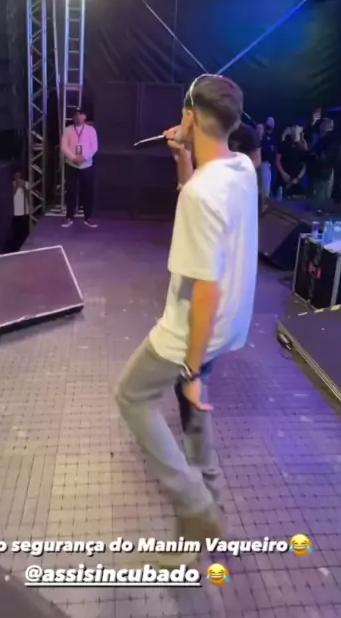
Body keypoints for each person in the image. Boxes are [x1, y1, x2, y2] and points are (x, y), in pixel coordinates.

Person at [116, 74, 258, 559]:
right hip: (229, 328)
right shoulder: (241, 167)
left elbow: (205, 290)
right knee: (191, 408)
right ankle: (208, 501)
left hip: (189, 332)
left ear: (190, 117)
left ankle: (196, 508)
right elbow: (199, 196)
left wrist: (192, 370)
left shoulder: (202, 194)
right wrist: (183, 155)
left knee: (131, 396)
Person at [61, 107, 98, 228]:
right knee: (70, 191)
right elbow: (64, 146)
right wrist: (73, 158)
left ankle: (88, 217)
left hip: (86, 165)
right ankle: (69, 217)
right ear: (73, 117)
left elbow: (94, 147)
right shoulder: (68, 130)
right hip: (71, 164)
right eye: (75, 115)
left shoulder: (91, 130)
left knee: (87, 191)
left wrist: (84, 157)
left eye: (80, 115)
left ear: (84, 117)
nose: (78, 117)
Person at [276, 125, 306, 197]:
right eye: (294, 128)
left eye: (297, 129)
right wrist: (283, 173)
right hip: (283, 178)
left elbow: (305, 165)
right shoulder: (284, 144)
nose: (295, 130)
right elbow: (277, 160)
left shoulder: (301, 146)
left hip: (296, 180)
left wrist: (298, 178)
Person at [12, 171, 30, 250]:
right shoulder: (12, 184)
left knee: (23, 225)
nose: (17, 177)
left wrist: (23, 187)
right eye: (16, 176)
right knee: (16, 227)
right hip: (15, 209)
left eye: (19, 176)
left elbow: (28, 195)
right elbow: (11, 194)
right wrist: (16, 187)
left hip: (24, 208)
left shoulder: (26, 183)